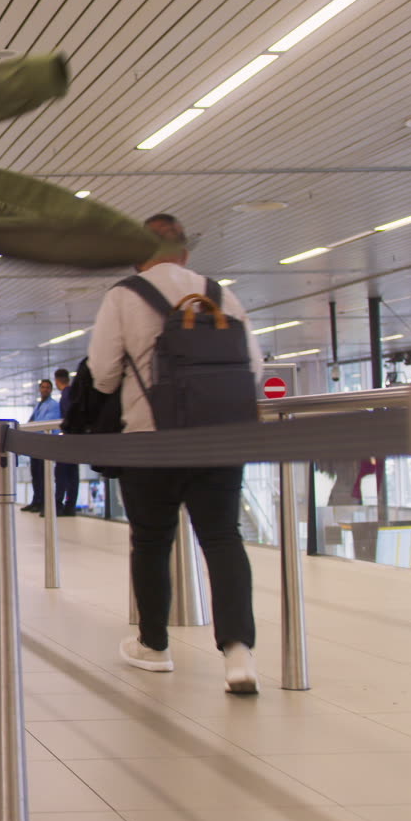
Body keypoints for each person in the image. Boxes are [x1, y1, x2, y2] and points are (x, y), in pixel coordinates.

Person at [87, 213, 263, 694]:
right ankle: (238, 653)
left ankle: (154, 645)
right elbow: (253, 366)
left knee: (150, 541)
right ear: (185, 253)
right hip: (219, 439)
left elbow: (103, 373)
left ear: (137, 256)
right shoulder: (221, 294)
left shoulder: (123, 295)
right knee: (223, 538)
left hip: (151, 439)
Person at [21, 378, 61, 513]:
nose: (45, 389)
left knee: (44, 475)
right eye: (43, 387)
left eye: (47, 387)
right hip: (35, 444)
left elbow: (44, 424)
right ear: (39, 389)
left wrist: (32, 427)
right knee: (36, 474)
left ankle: (44, 502)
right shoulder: (39, 405)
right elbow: (32, 421)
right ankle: (36, 500)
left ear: (51, 390)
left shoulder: (53, 405)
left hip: (44, 444)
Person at [52, 367, 81, 515]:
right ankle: (70, 506)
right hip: (75, 440)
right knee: (72, 474)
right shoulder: (73, 393)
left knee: (62, 473)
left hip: (67, 439)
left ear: (57, 381)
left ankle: (59, 505)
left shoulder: (66, 395)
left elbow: (67, 417)